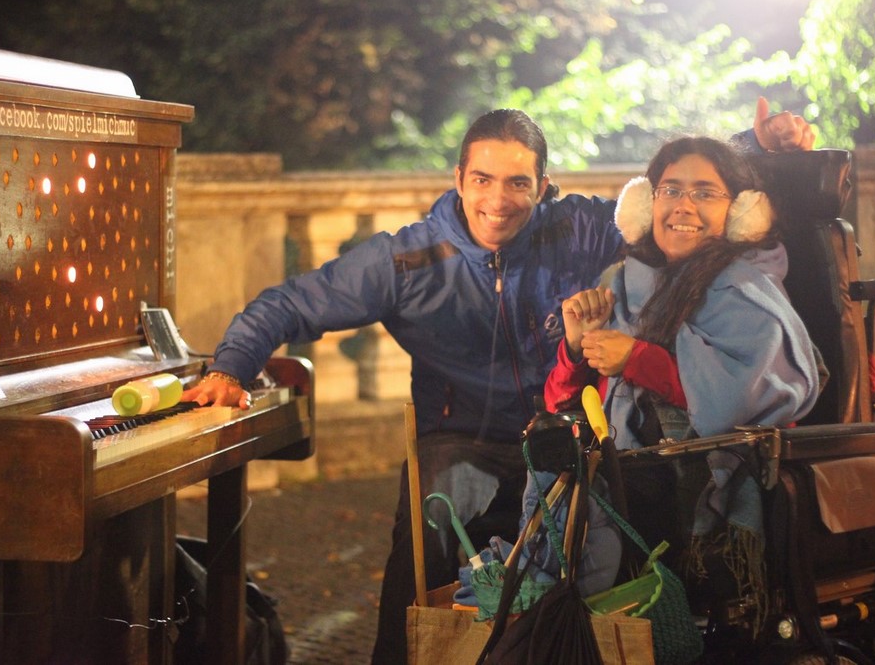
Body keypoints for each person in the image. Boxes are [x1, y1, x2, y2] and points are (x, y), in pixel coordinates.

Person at [183, 100, 813, 664]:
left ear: (544, 187)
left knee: (607, 543)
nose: (498, 199)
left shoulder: (576, 228)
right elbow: (291, 303)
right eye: (482, 179)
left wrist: (756, 145)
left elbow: (679, 201)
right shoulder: (408, 260)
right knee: (432, 525)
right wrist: (230, 366)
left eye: (518, 183)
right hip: (462, 441)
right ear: (458, 179)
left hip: (565, 435)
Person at [543, 135, 822, 616]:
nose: (683, 206)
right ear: (645, 204)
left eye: (705, 192)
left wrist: (638, 359)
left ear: (740, 211)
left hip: (698, 482)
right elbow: (562, 408)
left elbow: (739, 398)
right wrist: (575, 347)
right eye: (670, 190)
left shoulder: (749, 290)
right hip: (629, 474)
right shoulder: (621, 285)